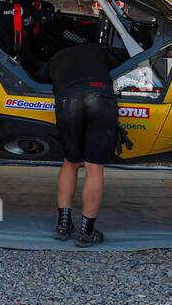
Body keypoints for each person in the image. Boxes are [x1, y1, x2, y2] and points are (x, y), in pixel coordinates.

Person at [43, 39, 125, 246]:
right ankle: (87, 232)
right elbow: (121, 65)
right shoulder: (97, 50)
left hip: (69, 99)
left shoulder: (55, 58)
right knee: (94, 167)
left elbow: (38, 76)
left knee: (70, 162)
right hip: (100, 96)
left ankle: (63, 225)